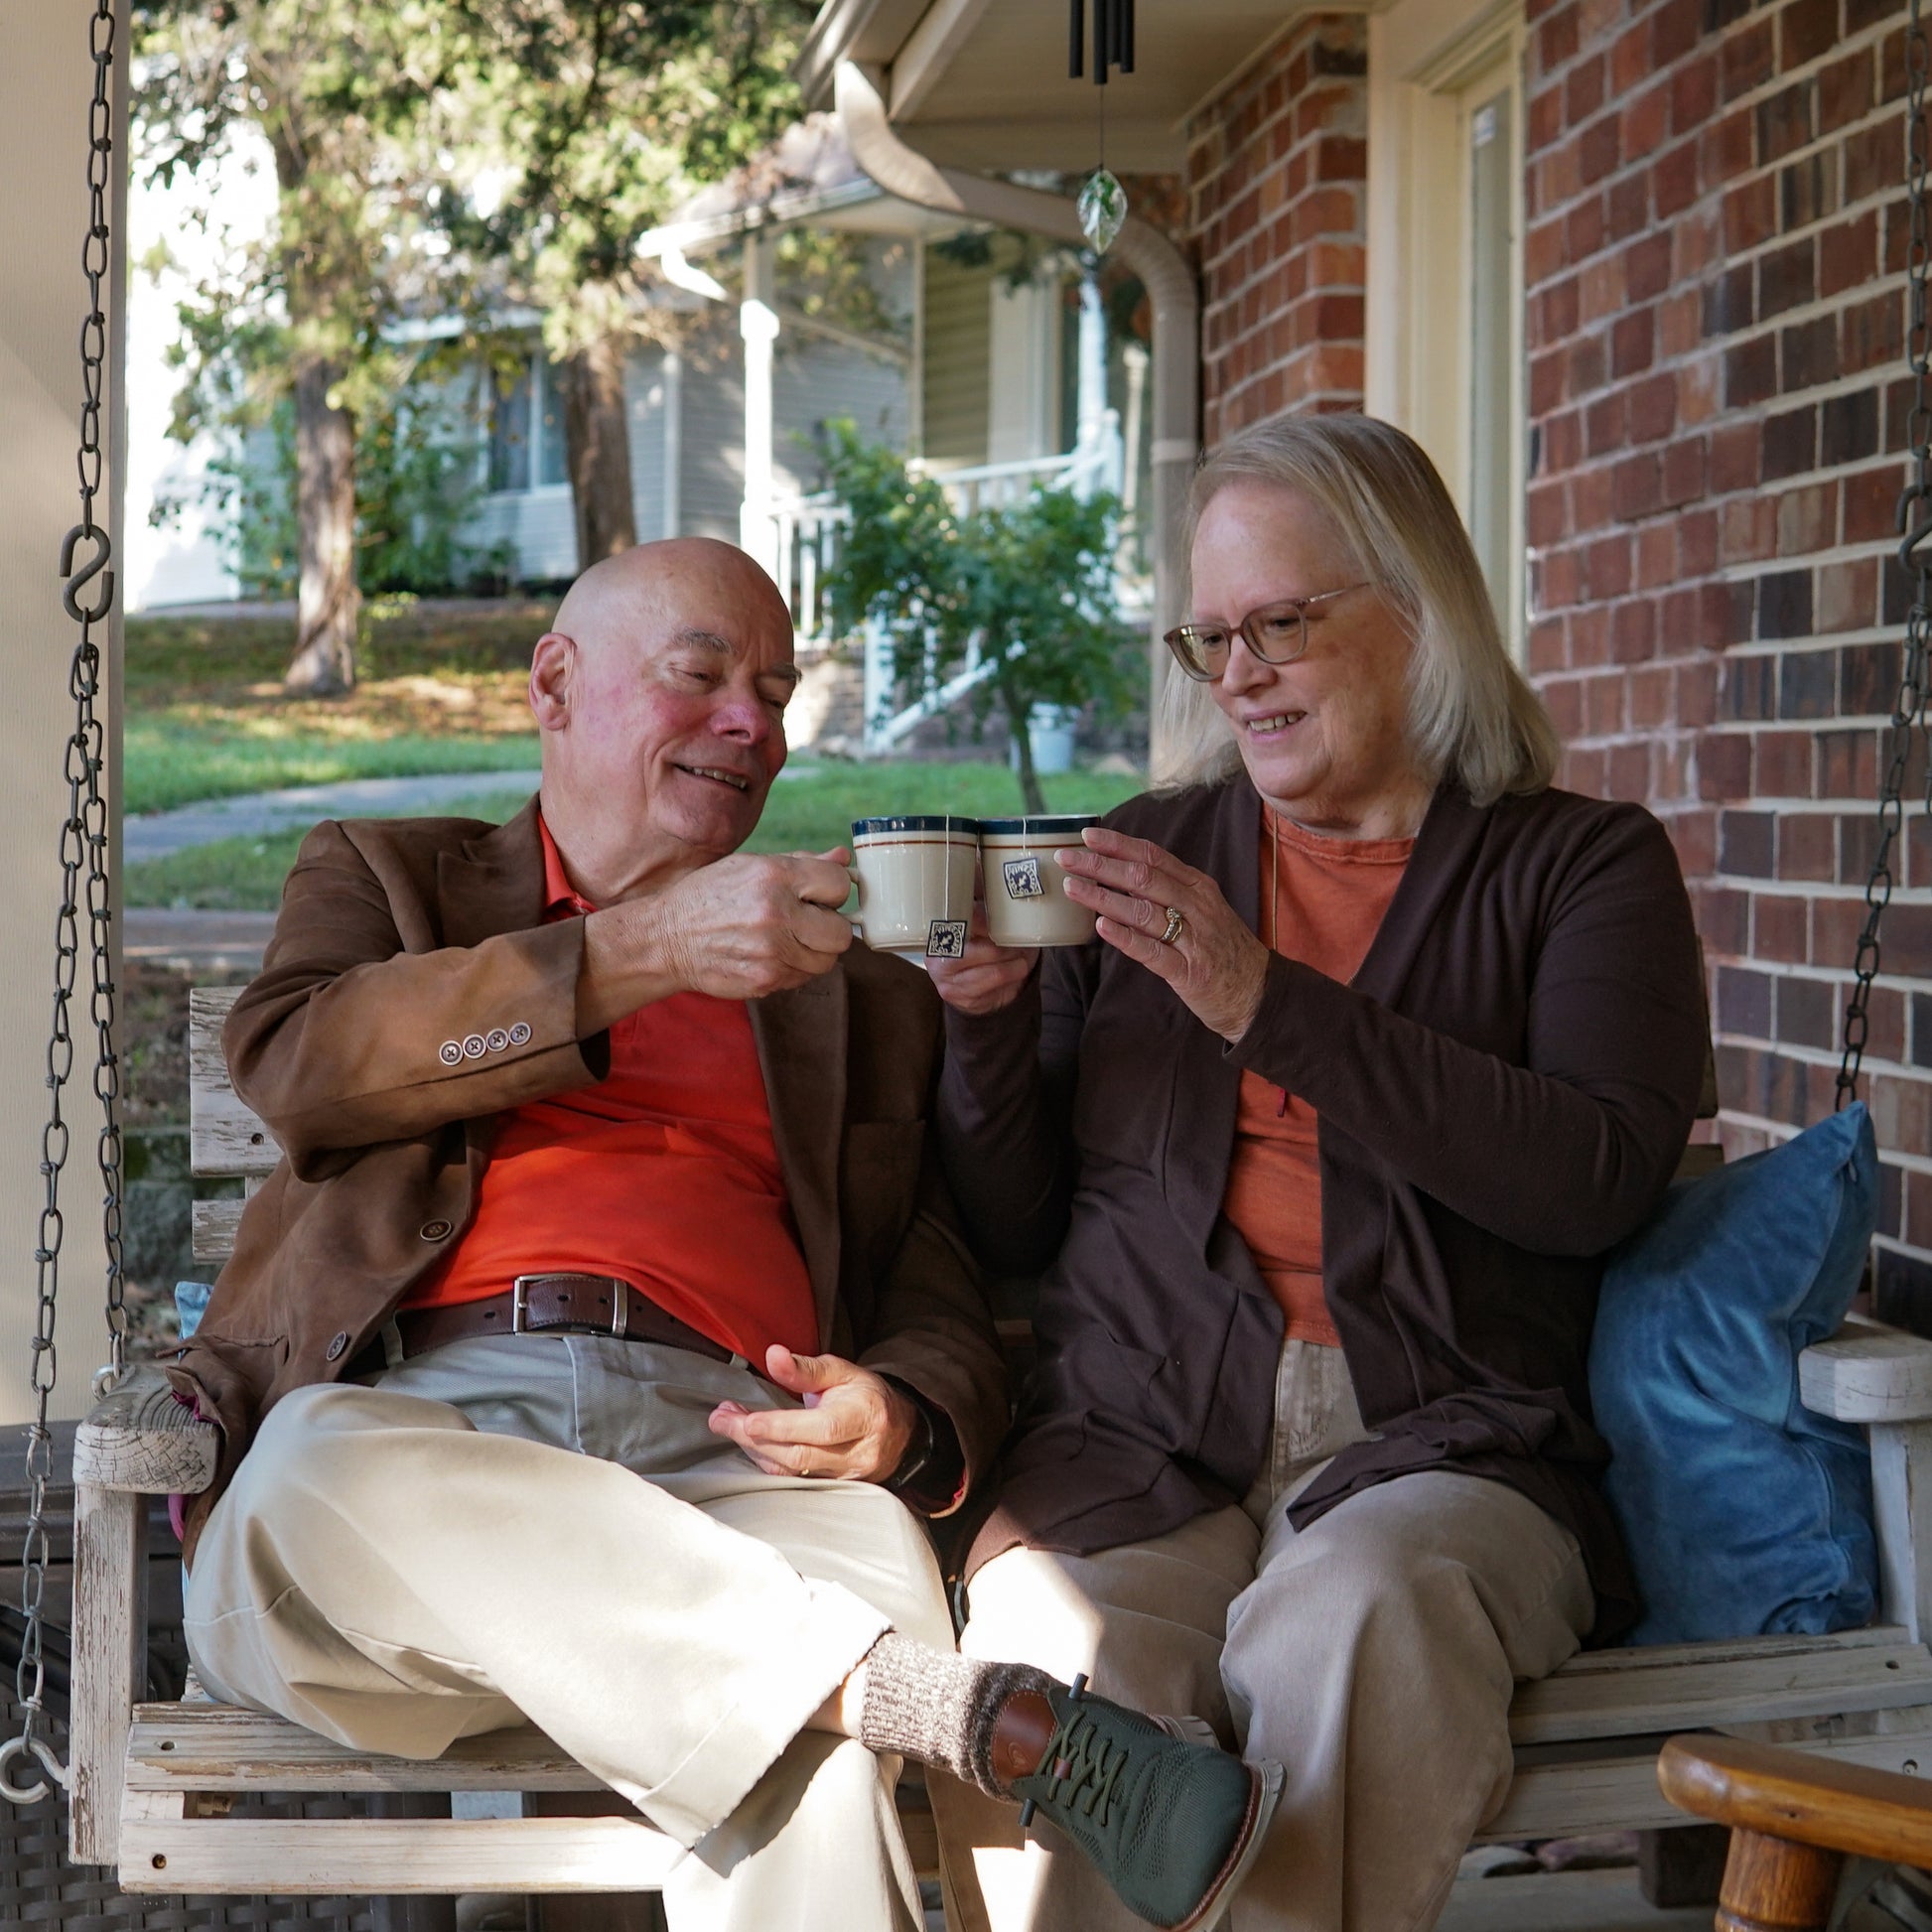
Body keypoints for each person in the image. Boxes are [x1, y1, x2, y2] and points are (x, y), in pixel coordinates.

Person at [163, 538, 1275, 1932]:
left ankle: (881, 1693)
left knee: (802, 1765)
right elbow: (298, 1067)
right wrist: (641, 950)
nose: (753, 722)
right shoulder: (391, 873)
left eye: (774, 687)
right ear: (554, 684)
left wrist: (907, 1413)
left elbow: (938, 1267)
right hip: (433, 1442)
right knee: (296, 1483)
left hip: (748, 1451)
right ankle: (924, 1703)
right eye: (702, 676)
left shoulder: (850, 988)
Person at [927, 417, 1711, 1932]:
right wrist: (986, 1035)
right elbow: (1012, 1220)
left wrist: (1265, 1001)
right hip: (1135, 1434)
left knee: (1345, 1620)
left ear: (1418, 609)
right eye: (1211, 634)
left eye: (1282, 621)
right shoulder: (1144, 854)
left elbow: (1596, 1179)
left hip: (1447, 1447)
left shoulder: (1581, 865)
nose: (1238, 670)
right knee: (1055, 1656)